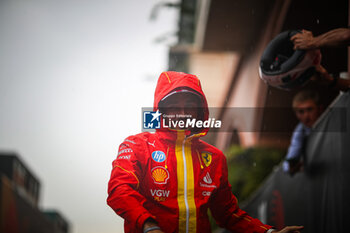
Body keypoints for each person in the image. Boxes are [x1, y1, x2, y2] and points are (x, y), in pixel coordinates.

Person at [107, 71, 304, 233]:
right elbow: (119, 191)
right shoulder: (137, 145)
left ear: (200, 112)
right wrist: (150, 227)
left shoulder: (215, 158)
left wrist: (269, 232)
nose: (183, 114)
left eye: (190, 107)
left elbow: (228, 214)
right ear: (161, 110)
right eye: (174, 106)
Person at [282, 90, 322, 175]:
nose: (306, 115)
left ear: (319, 108)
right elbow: (290, 159)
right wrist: (290, 167)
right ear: (296, 114)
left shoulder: (333, 118)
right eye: (301, 112)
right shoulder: (300, 132)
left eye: (309, 109)